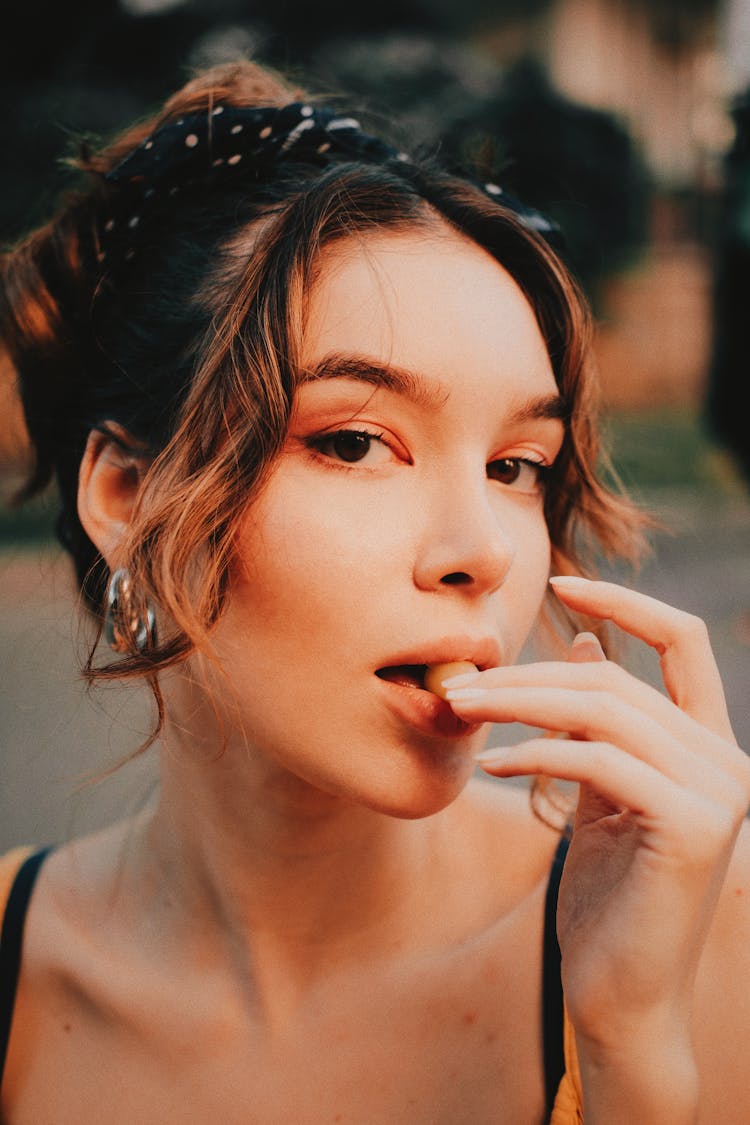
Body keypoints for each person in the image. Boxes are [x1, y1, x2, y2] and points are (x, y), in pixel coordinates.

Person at [0, 59, 748, 1124]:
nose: (480, 551)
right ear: (126, 492)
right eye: (355, 443)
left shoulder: (694, 919)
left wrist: (635, 1053)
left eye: (514, 467)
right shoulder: (18, 966)